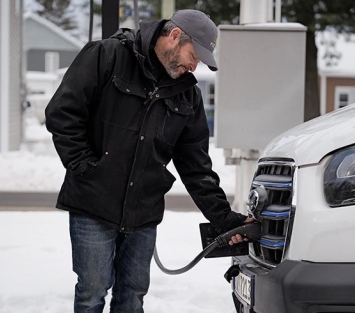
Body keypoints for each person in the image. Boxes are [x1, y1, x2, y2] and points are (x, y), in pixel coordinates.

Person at [45, 9, 253, 313]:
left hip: (143, 215)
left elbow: (196, 167)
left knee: (132, 297)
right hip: (92, 205)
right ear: (173, 36)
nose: (194, 66)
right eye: (193, 55)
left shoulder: (187, 96)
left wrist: (223, 218)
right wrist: (86, 169)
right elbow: (63, 114)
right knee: (92, 292)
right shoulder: (108, 56)